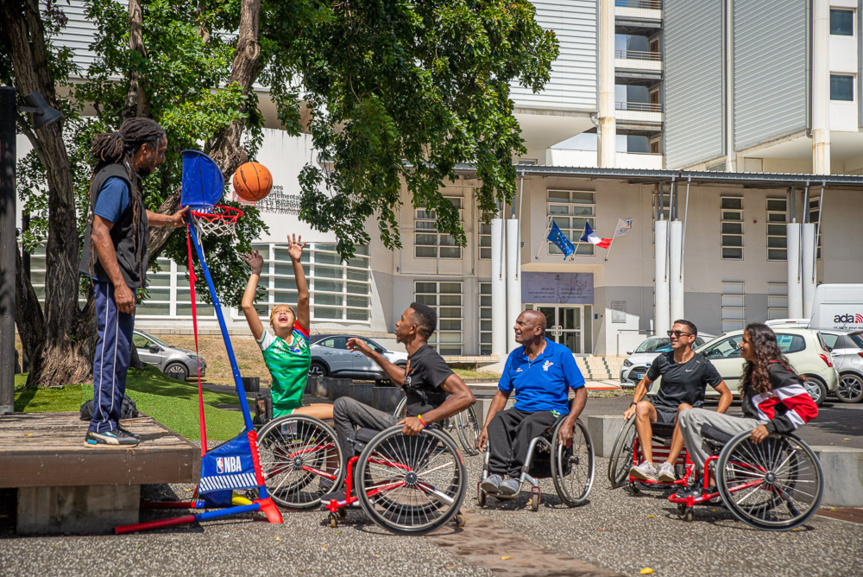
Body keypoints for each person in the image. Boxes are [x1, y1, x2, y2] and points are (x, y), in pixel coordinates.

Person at [80, 118, 188, 446]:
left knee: (120, 349)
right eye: (161, 153)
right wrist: (120, 285)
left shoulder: (126, 178)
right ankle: (101, 425)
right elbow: (100, 231)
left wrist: (171, 220)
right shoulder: (117, 180)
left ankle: (109, 422)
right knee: (112, 351)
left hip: (119, 282)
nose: (162, 160)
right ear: (144, 150)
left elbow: (136, 214)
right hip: (115, 284)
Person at [677, 322, 818, 497]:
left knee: (693, 416)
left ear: (758, 345)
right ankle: (708, 476)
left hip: (761, 427)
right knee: (685, 415)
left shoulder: (776, 371)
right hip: (750, 424)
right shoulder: (757, 369)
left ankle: (713, 479)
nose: (740, 344)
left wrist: (771, 427)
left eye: (744, 341)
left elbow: (808, 408)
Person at [332, 302, 475, 454]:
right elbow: (403, 379)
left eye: (402, 319)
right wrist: (371, 353)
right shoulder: (417, 357)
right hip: (405, 425)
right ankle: (354, 473)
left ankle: (350, 474)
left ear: (413, 329)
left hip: (417, 434)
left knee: (342, 406)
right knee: (347, 412)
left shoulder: (429, 359)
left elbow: (465, 396)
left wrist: (422, 420)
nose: (397, 323)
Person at [477, 310, 587, 496]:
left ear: (537, 330)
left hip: (552, 411)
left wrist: (569, 422)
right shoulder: (515, 357)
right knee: (499, 420)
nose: (515, 327)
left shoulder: (560, 354)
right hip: (522, 409)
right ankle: (496, 474)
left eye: (521, 324)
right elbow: (502, 395)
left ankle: (514, 476)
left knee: (529, 424)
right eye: (516, 323)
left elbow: (581, 391)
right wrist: (486, 426)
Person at [624, 320, 732, 483]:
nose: (672, 336)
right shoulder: (663, 360)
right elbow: (645, 383)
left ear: (691, 338)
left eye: (678, 333)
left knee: (684, 409)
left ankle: (669, 465)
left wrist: (715, 418)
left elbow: (726, 394)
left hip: (684, 417)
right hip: (661, 413)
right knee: (642, 406)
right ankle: (648, 465)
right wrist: (633, 405)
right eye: (671, 333)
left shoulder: (702, 365)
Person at [241, 236, 333, 420]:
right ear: (272, 324)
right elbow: (247, 306)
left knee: (345, 416)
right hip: (280, 411)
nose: (283, 313)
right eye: (277, 312)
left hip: (298, 408)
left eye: (288, 312)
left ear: (294, 321)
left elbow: (303, 297)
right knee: (341, 409)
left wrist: (296, 261)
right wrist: (256, 271)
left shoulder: (301, 336)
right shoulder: (268, 342)